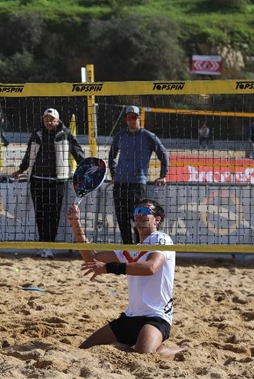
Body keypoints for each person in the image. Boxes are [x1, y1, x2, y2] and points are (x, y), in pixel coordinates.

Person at [67, 197, 185, 359]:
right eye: (137, 211)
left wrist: (109, 268)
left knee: (143, 356)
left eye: (145, 211)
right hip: (130, 317)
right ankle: (149, 344)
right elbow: (91, 259)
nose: (139, 214)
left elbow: (150, 267)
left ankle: (181, 349)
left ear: (157, 220)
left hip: (156, 317)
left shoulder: (161, 239)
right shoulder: (131, 250)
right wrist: (75, 224)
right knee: (83, 350)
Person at [12, 108, 85, 258]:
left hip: (57, 182)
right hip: (37, 180)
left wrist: (85, 167)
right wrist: (21, 169)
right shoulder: (37, 134)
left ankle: (50, 245)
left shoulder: (66, 134)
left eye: (51, 119)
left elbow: (78, 152)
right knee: (40, 215)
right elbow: (28, 154)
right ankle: (43, 244)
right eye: (46, 119)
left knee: (53, 215)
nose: (48, 122)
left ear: (57, 120)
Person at [108, 105, 169, 245]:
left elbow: (163, 154)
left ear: (139, 118)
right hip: (120, 184)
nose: (132, 120)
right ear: (126, 119)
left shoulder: (148, 136)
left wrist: (163, 175)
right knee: (122, 219)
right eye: (129, 117)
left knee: (139, 219)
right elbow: (111, 156)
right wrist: (114, 174)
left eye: (134, 117)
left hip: (137, 184)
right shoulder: (120, 136)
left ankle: (139, 248)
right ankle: (127, 249)